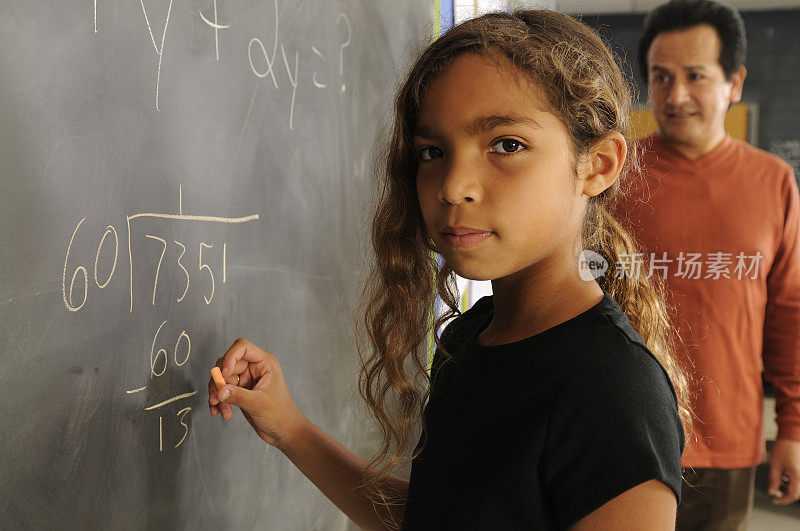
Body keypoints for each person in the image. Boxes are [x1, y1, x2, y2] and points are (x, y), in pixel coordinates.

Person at [208, 10, 689, 530]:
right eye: (432, 151)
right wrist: (289, 427)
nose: (453, 185)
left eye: (507, 145)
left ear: (597, 165)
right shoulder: (471, 337)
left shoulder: (612, 388)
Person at [614, 0, 800, 527]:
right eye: (661, 77)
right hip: (623, 432)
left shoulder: (773, 182)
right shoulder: (613, 175)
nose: (676, 96)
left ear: (734, 82)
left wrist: (793, 429)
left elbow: (790, 314)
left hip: (725, 441)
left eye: (695, 76)